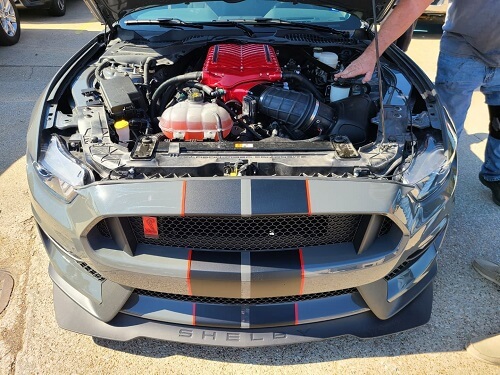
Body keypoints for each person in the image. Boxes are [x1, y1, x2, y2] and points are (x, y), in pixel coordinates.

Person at [335, 0, 500, 366]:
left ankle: (495, 178)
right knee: (449, 122)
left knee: (439, 139)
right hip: (465, 49)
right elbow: (416, 1)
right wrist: (371, 54)